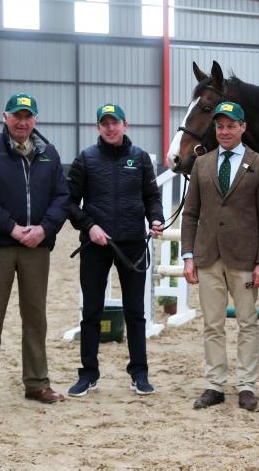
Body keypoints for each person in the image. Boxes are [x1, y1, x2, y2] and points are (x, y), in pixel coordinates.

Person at [0, 92, 69, 411]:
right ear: (5, 117)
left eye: (27, 116)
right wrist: (11, 227)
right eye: (16, 116)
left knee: (35, 317)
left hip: (36, 247)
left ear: (35, 119)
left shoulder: (49, 153)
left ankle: (37, 383)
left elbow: (62, 197)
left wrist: (44, 229)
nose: (22, 122)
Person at [180, 101, 259, 411]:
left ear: (243, 128)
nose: (224, 131)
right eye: (220, 126)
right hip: (208, 256)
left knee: (247, 323)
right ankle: (215, 384)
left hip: (245, 259)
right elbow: (190, 213)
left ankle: (247, 385)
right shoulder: (202, 164)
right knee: (212, 324)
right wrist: (188, 255)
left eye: (231, 126)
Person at [66, 103, 164, 397]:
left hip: (132, 244)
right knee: (91, 312)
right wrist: (89, 226)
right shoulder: (85, 159)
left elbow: (152, 196)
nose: (110, 128)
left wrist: (156, 218)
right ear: (98, 127)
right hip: (95, 244)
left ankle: (139, 373)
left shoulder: (140, 158)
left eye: (115, 122)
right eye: (105, 123)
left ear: (125, 124)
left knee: (136, 312)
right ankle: (88, 374)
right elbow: (69, 203)